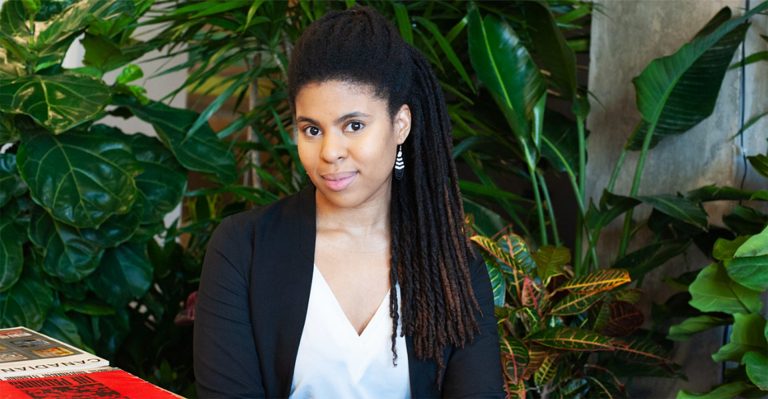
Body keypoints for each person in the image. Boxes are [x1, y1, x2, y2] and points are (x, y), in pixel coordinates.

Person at [193, 6, 504, 398]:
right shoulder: (243, 249)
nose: (330, 152)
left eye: (353, 126)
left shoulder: (452, 267)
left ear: (400, 124)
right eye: (312, 129)